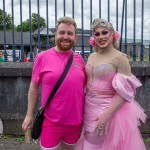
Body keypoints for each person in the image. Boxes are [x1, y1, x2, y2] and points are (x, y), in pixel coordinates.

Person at [75, 18, 147, 150]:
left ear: (113, 34)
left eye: (105, 32)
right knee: (88, 141)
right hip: (88, 107)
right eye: (97, 34)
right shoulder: (91, 56)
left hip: (107, 109)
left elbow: (124, 93)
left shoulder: (120, 58)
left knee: (97, 145)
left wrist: (105, 116)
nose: (101, 37)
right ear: (93, 37)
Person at [22, 16, 86, 150]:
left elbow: (85, 88)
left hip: (75, 123)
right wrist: (29, 114)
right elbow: (33, 88)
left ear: (76, 37)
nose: (65, 36)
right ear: (55, 34)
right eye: (62, 32)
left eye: (70, 33)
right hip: (51, 122)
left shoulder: (80, 59)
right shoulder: (42, 57)